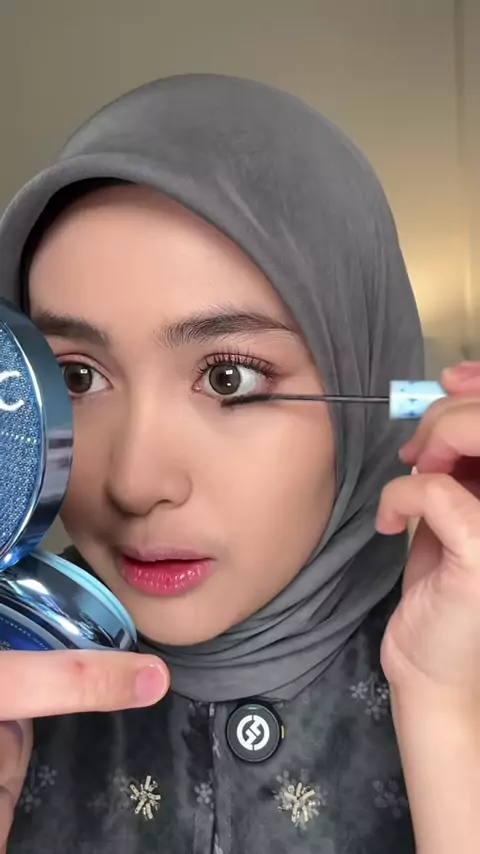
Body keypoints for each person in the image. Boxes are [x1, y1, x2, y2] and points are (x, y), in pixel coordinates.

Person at [0, 74, 478, 854]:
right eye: (77, 377)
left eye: (229, 378)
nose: (135, 483)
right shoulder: (17, 672)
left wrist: (447, 720)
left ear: (366, 381)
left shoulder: (459, 638)